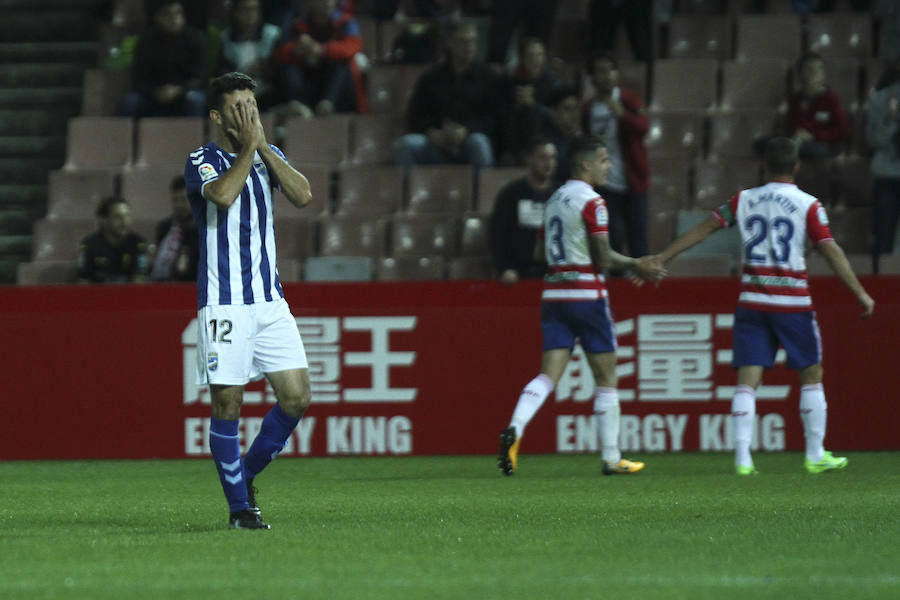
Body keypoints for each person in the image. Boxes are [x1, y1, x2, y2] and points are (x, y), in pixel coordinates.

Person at [652, 137, 875, 475]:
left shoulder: (744, 199)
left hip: (753, 302)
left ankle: (743, 459)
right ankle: (815, 454)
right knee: (812, 374)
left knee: (747, 380)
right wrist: (859, 291)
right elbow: (830, 250)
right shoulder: (808, 205)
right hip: (793, 303)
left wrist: (663, 256)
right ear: (796, 166)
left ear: (764, 166)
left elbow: (705, 228)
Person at [184, 72, 315, 530]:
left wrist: (261, 147)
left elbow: (302, 194)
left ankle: (245, 477)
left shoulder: (267, 155)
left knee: (297, 398)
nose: (250, 114)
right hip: (224, 303)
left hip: (269, 301)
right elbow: (221, 194)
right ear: (219, 116)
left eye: (253, 106)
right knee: (228, 406)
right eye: (239, 108)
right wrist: (248, 148)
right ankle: (240, 510)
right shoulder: (203, 159)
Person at [497, 137, 662, 477]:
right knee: (606, 376)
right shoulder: (593, 202)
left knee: (547, 375)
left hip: (554, 295)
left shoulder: (554, 199)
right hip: (586, 296)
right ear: (586, 165)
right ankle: (612, 457)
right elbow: (603, 257)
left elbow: (539, 255)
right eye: (603, 160)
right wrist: (637, 264)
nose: (609, 166)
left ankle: (516, 427)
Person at [393, 20, 505, 169]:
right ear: (450, 44)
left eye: (472, 41)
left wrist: (467, 131)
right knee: (405, 145)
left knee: (479, 142)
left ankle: (482, 190)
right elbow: (415, 115)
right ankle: (407, 191)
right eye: (463, 41)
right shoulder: (431, 77)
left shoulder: (488, 77)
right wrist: (431, 131)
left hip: (469, 142)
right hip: (437, 143)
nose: (469, 47)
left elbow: (495, 118)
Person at [583, 51, 650, 258]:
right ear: (592, 77)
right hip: (606, 184)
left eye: (610, 70)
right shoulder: (588, 108)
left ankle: (643, 286)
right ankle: (617, 286)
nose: (606, 75)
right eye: (600, 71)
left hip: (634, 182)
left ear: (617, 74)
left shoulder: (629, 100)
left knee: (638, 239)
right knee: (613, 239)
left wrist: (624, 116)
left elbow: (643, 127)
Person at [273, 0, 368, 117]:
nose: (327, 2)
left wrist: (322, 50)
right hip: (308, 83)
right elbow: (279, 53)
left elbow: (353, 46)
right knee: (288, 67)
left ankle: (327, 104)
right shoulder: (297, 25)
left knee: (341, 63)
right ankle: (300, 106)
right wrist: (296, 50)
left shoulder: (345, 22)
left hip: (337, 89)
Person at [118, 0, 208, 118]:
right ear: (157, 17)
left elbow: (200, 77)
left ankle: (195, 136)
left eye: (178, 14)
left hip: (185, 93)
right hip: (153, 95)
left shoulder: (195, 39)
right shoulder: (146, 41)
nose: (174, 19)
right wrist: (156, 92)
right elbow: (139, 78)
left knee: (195, 100)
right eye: (168, 14)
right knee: (129, 102)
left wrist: (178, 90)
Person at [489, 138, 559, 283]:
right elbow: (497, 234)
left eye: (552, 158)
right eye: (542, 157)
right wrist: (504, 268)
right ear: (529, 159)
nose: (548, 163)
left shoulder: (561, 196)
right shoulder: (511, 194)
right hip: (516, 274)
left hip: (552, 274)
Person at [866, 61, 900, 274]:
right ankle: (879, 282)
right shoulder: (881, 98)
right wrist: (889, 120)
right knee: (883, 236)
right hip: (887, 176)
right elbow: (873, 139)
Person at [218, 0, 281, 109]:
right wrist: (243, 72)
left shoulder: (272, 34)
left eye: (254, 9)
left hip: (268, 92)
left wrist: (264, 68)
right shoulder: (226, 38)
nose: (250, 14)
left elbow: (279, 69)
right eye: (245, 10)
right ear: (236, 12)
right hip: (237, 93)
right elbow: (223, 71)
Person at [785, 52, 848, 160]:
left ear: (824, 74)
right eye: (809, 69)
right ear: (800, 73)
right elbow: (791, 125)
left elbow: (841, 131)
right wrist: (799, 134)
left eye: (819, 69)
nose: (814, 73)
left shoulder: (831, 98)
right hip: (798, 141)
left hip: (821, 144)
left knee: (813, 151)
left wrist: (813, 135)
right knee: (764, 144)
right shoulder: (795, 99)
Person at [77, 197, 150, 284]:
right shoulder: (90, 244)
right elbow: (83, 281)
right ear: (104, 220)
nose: (124, 222)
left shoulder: (138, 243)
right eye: (118, 217)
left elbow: (140, 280)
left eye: (127, 216)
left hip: (129, 295)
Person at [150, 175, 198, 282]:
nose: (179, 205)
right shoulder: (164, 227)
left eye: (183, 199)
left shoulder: (204, 230)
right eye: (175, 200)